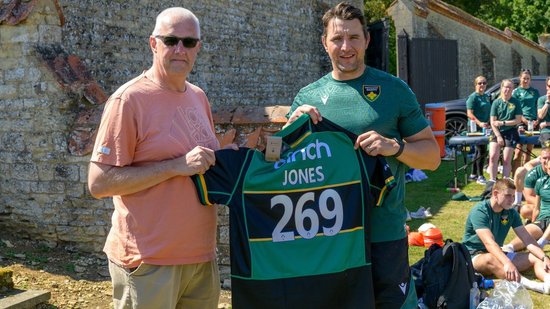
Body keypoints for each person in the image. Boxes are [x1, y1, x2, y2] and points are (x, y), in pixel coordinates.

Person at [285, 2, 441, 307]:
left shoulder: (394, 90)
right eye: (337, 39)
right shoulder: (308, 96)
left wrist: (395, 147)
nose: (346, 47)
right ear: (324, 43)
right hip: (328, 235)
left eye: (354, 38)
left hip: (383, 232)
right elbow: (279, 161)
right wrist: (292, 128)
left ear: (367, 40)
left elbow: (432, 157)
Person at [87, 8, 222, 308]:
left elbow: (206, 163)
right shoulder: (129, 100)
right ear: (153, 43)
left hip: (201, 259)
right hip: (148, 262)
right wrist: (175, 167)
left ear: (198, 47)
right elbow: (98, 183)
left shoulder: (198, 96)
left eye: (188, 42)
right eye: (171, 40)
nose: (179, 49)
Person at [462, 179, 550, 294]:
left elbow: (527, 240)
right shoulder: (480, 211)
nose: (512, 200)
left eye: (513, 196)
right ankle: (537, 287)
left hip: (497, 253)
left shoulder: (511, 213)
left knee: (535, 257)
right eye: (508, 195)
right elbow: (489, 243)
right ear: (495, 194)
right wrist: (507, 262)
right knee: (490, 258)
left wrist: (544, 257)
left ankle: (548, 281)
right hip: (473, 256)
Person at [506, 153, 550, 252]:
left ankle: (541, 242)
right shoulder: (541, 182)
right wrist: (535, 222)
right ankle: (509, 247)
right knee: (529, 231)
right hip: (544, 219)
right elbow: (537, 208)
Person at [487, 79, 522, 182]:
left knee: (506, 160)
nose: (507, 89)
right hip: (496, 131)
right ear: (501, 88)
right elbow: (493, 122)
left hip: (510, 131)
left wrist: (503, 123)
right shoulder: (496, 102)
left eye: (509, 87)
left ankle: (505, 182)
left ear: (512, 89)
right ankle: (492, 181)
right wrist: (498, 136)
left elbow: (518, 120)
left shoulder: (516, 102)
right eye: (505, 87)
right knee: (493, 156)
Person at [512, 69, 540, 174]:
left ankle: (526, 175)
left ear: (530, 79)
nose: (526, 80)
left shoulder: (535, 92)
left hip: (533, 123)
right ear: (520, 78)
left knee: (528, 151)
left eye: (528, 78)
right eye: (524, 78)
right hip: (521, 122)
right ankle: (515, 175)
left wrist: (537, 119)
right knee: (519, 150)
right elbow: (514, 108)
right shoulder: (516, 92)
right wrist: (524, 120)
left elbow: (538, 106)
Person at [512, 147, 550, 219]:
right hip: (542, 204)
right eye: (545, 158)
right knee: (525, 210)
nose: (547, 161)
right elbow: (529, 197)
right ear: (540, 159)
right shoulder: (533, 173)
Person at [466, 75, 491, 185]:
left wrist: (489, 122)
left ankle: (473, 174)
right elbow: (469, 113)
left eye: (484, 83)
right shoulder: (473, 97)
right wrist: (479, 123)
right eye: (479, 83)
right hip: (475, 127)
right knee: (482, 151)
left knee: (479, 150)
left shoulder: (486, 96)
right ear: (475, 85)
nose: (482, 85)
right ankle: (480, 176)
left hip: (485, 127)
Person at [537, 76, 550, 144]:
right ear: (546, 86)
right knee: (547, 152)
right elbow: (541, 116)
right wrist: (547, 102)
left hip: (546, 126)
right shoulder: (541, 99)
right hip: (546, 131)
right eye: (549, 86)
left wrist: (547, 123)